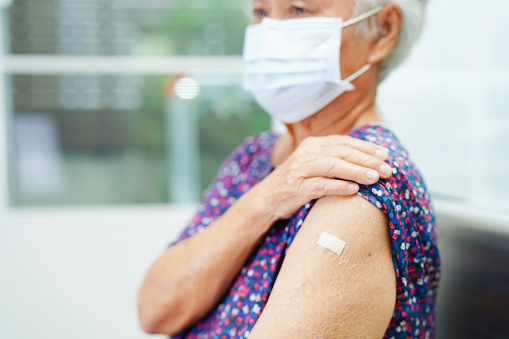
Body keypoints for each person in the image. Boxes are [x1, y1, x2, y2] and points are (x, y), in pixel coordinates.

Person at [137, 0, 440, 337]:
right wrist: (268, 198)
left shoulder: (361, 180)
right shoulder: (255, 158)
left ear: (382, 31)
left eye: (299, 10)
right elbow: (155, 310)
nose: (270, 34)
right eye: (260, 13)